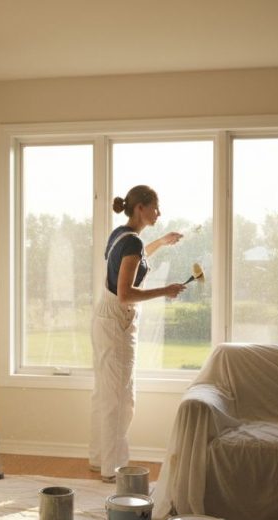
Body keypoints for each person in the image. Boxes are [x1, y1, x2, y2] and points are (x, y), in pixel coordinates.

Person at [90, 185, 185, 482]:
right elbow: (125, 294)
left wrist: (162, 242)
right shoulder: (131, 243)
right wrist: (166, 291)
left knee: (105, 394)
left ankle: (99, 459)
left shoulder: (122, 234)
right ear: (141, 208)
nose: (159, 212)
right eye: (156, 207)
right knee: (120, 398)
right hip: (117, 321)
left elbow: (136, 255)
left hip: (104, 319)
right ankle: (113, 470)